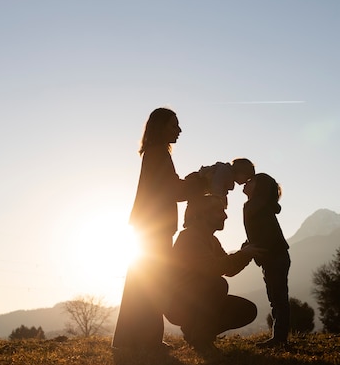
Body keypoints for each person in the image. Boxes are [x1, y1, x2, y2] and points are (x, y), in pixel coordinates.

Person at [112, 107, 203, 350]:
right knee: (153, 284)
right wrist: (201, 181)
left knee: (142, 282)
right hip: (154, 227)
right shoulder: (158, 154)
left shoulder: (154, 153)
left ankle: (131, 339)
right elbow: (174, 190)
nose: (180, 130)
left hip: (147, 225)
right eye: (175, 125)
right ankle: (147, 340)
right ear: (161, 127)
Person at [164, 195, 263, 351]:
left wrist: (246, 253)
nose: (225, 216)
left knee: (247, 310)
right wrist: (243, 254)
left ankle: (193, 332)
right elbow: (212, 268)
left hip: (195, 299)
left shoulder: (211, 239)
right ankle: (201, 339)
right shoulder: (190, 237)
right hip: (178, 303)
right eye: (219, 211)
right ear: (202, 214)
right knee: (217, 284)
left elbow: (229, 269)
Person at [242, 173, 291, 348]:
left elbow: (262, 235)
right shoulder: (258, 206)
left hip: (274, 257)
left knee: (278, 299)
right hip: (274, 257)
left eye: (251, 180)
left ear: (259, 188)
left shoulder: (254, 206)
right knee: (277, 298)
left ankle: (279, 339)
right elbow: (259, 233)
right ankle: (278, 337)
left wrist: (250, 248)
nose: (247, 181)